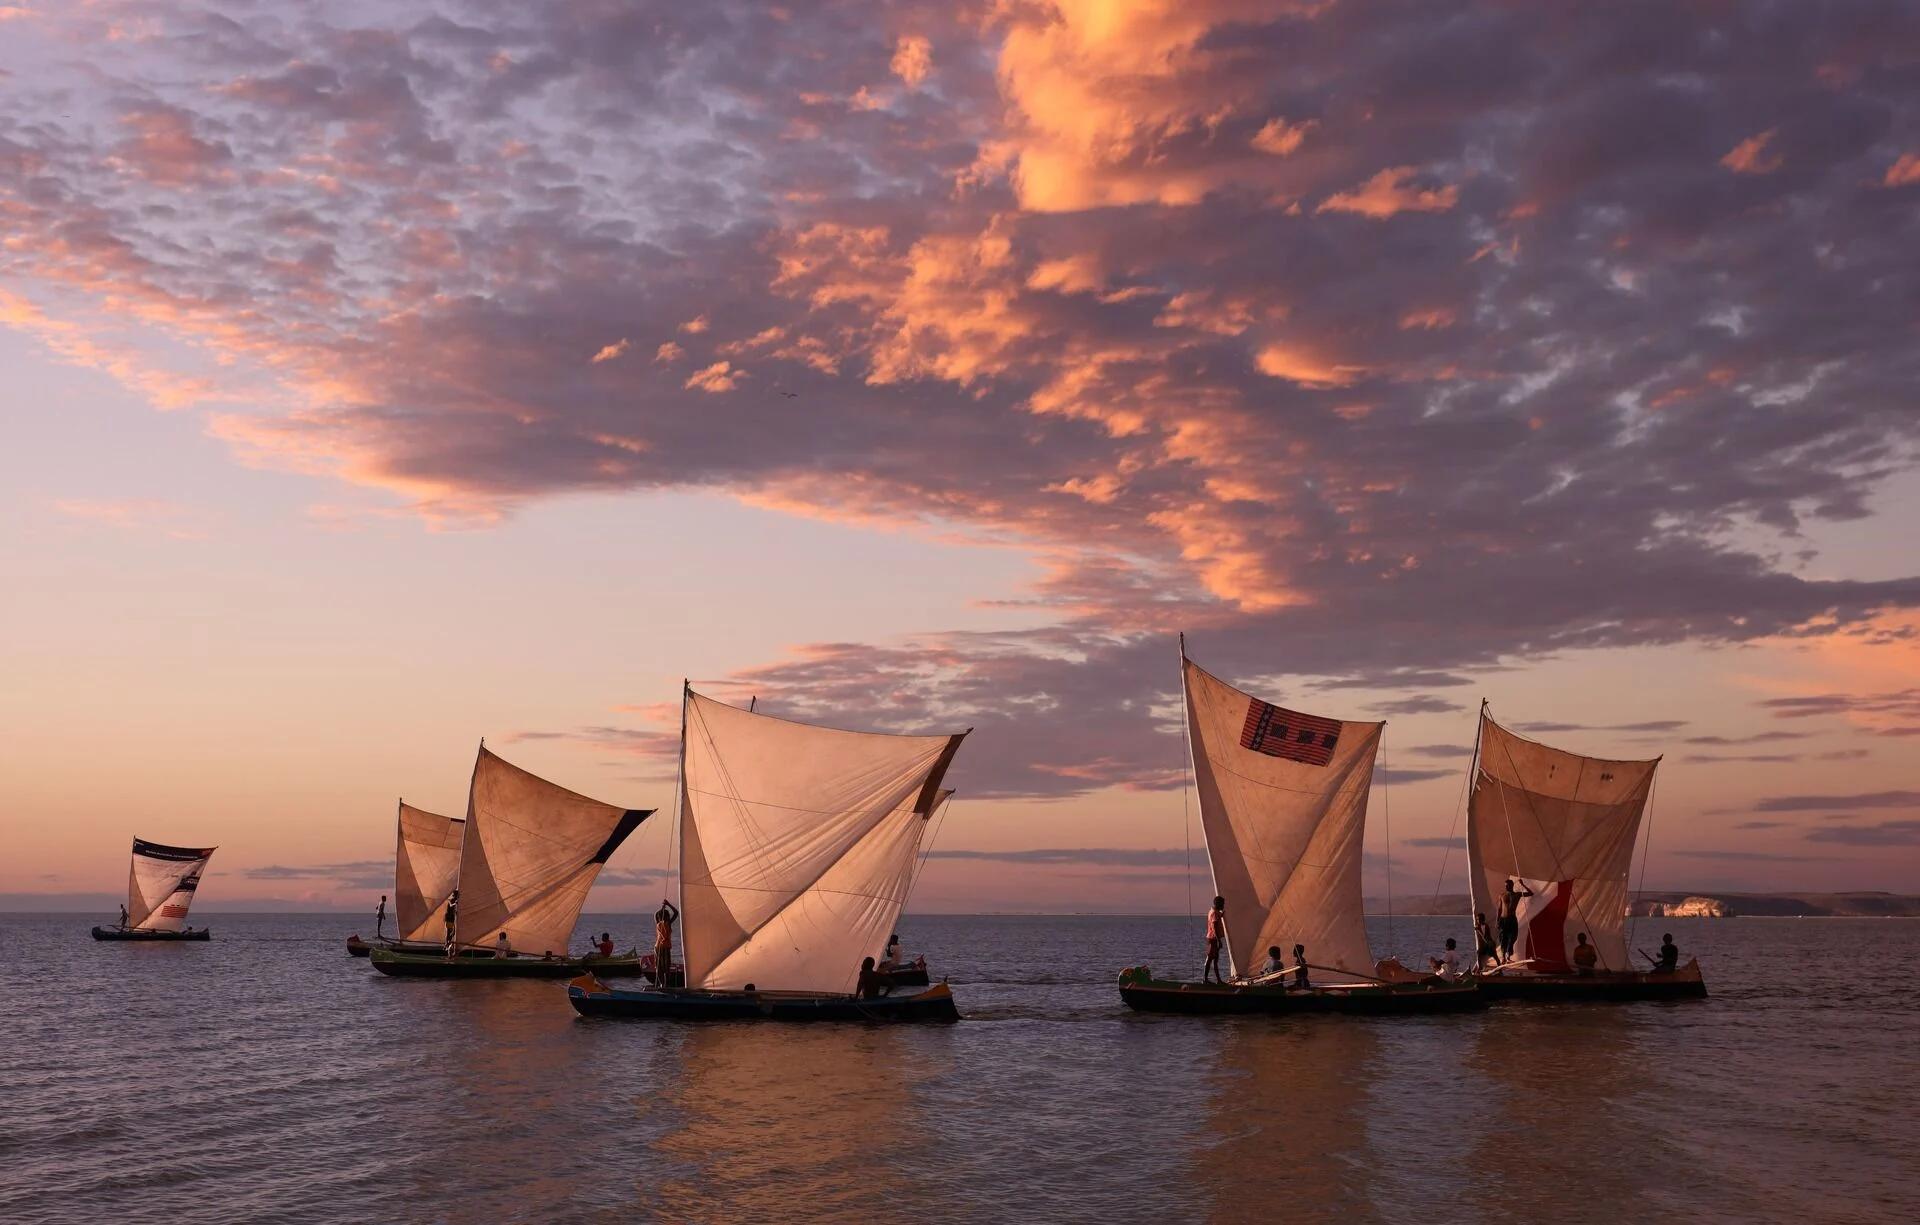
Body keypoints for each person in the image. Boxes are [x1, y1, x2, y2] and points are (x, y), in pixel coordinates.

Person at [1497, 878, 1533, 963]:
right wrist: (1497, 920)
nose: (1506, 887)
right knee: (1503, 938)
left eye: (1508, 885)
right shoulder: (1502, 895)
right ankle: (1503, 957)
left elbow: (1531, 893)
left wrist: (1522, 884)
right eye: (1505, 886)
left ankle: (1508, 955)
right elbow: (1499, 909)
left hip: (1512, 919)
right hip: (1503, 919)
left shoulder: (1517, 894)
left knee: (1513, 937)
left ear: (1512, 885)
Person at [654, 899, 679, 985]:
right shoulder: (668, 923)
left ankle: (662, 984)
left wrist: (662, 908)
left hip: (657, 947)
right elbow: (676, 913)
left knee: (659, 968)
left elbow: (655, 915)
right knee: (666, 968)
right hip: (665, 947)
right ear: (667, 917)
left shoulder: (658, 923)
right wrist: (668, 904)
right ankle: (664, 984)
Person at [1203, 896, 1228, 983]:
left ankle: (1218, 980)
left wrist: (1221, 915)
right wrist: (1218, 940)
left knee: (1215, 960)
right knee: (1210, 959)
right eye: (1222, 904)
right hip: (1213, 939)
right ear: (1218, 904)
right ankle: (1205, 979)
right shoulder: (1214, 913)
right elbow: (1214, 927)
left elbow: (1216, 920)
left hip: (1214, 939)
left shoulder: (1215, 912)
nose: (1223, 905)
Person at [443, 889, 460, 954]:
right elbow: (450, 905)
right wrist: (454, 904)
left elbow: (454, 910)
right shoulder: (451, 900)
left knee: (453, 932)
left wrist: (455, 912)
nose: (457, 897)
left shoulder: (456, 901)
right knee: (448, 932)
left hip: (452, 919)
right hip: (448, 918)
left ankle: (447, 943)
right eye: (456, 895)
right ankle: (446, 944)